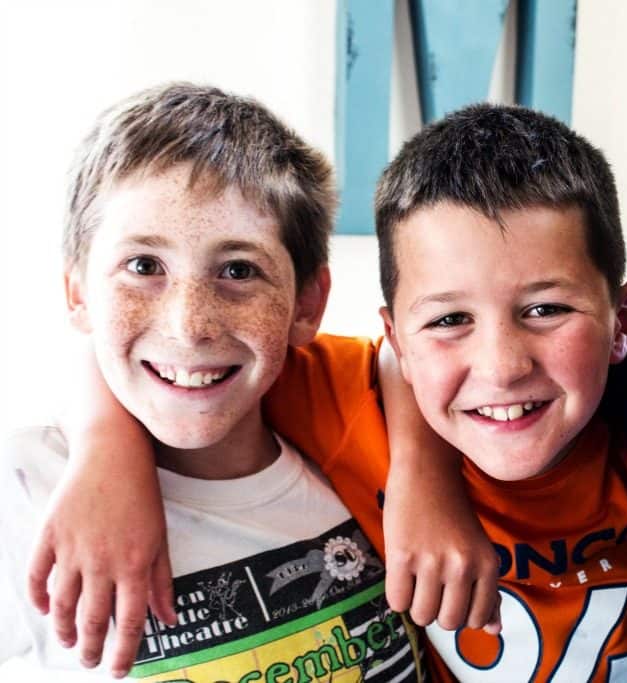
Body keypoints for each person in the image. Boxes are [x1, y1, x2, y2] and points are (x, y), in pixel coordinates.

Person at [19, 100, 627, 681]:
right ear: (398, 332)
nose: (500, 365)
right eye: (448, 320)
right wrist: (107, 449)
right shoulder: (336, 395)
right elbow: (179, 347)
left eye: (545, 310)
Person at [0, 83, 429, 681]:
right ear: (78, 293)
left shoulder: (359, 456)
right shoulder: (24, 492)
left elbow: (402, 362)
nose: (190, 325)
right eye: (143, 266)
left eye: (238, 270)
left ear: (307, 303)